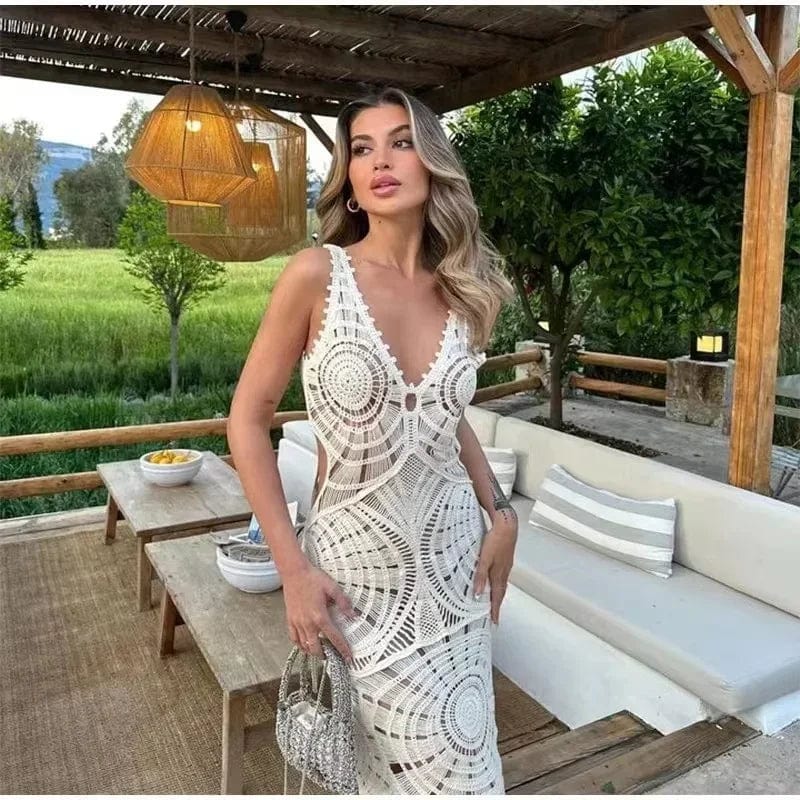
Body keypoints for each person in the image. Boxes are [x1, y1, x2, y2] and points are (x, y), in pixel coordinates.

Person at [228, 86, 518, 794]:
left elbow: (443, 417)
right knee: (385, 772)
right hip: (357, 578)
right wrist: (293, 571)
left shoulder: (463, 289)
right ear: (350, 180)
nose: (381, 161)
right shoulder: (316, 274)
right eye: (362, 149)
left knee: (466, 762)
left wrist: (502, 513)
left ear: (432, 163)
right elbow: (247, 420)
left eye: (401, 142)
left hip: (455, 569)